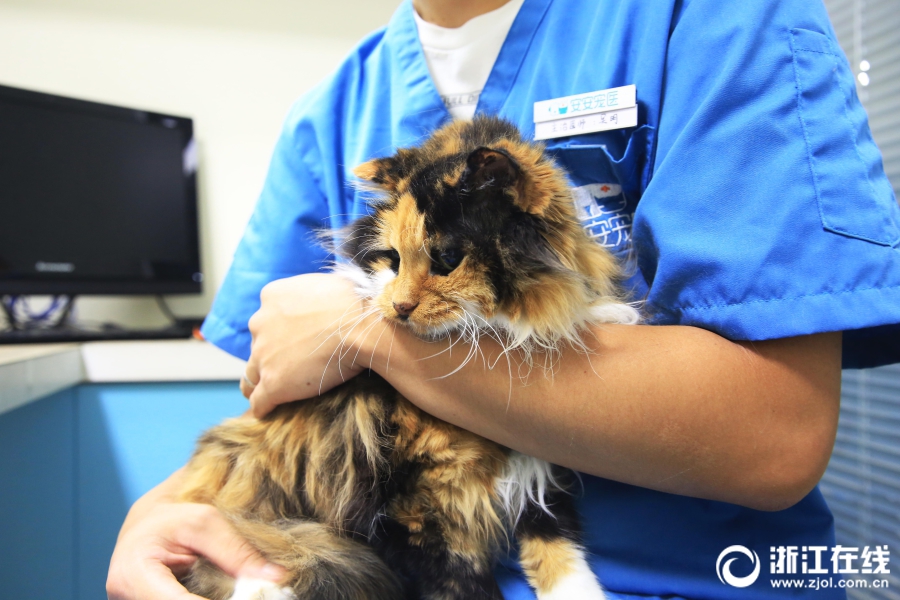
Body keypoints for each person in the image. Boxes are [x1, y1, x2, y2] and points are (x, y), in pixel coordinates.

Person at [107, 0, 900, 598]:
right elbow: (278, 408)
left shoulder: (712, 21)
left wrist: (370, 337)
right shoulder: (336, 107)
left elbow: (774, 434)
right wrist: (158, 515)